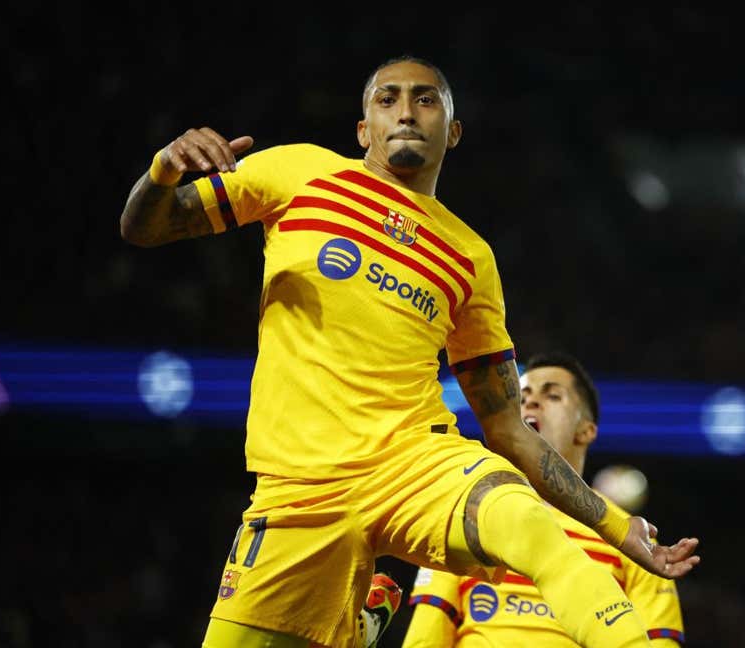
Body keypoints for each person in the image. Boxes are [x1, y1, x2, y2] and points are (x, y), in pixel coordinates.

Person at [119, 55, 700, 648]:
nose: (405, 111)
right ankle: (356, 628)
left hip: (413, 464)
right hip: (299, 490)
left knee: (529, 524)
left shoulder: (469, 257)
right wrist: (163, 172)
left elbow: (506, 424)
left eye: (426, 99)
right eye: (387, 98)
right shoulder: (299, 173)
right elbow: (146, 226)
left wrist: (617, 525)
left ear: (452, 131)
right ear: (363, 129)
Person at [402, 351, 687, 646]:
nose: (530, 402)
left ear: (586, 430)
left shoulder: (634, 543)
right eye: (522, 396)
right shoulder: (468, 511)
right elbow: (427, 633)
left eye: (553, 396)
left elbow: (660, 641)